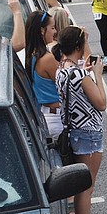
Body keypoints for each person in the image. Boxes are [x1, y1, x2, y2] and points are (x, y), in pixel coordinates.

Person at [53, 26, 107, 214]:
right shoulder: (79, 74)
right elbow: (101, 103)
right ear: (78, 46)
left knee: (81, 186)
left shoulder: (62, 69)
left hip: (73, 131)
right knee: (87, 187)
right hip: (88, 133)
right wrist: (96, 75)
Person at [24, 9, 62, 140]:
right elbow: (66, 86)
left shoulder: (32, 54)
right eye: (52, 28)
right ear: (41, 30)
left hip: (46, 115)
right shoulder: (47, 59)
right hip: (56, 118)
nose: (55, 31)